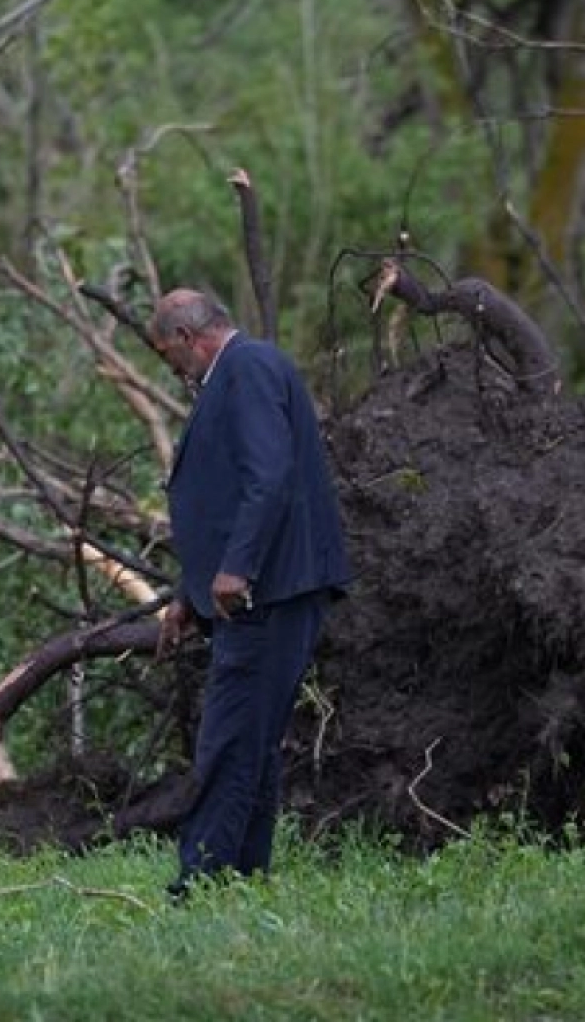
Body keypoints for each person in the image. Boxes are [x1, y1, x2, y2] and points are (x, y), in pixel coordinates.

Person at [149, 287, 351, 899]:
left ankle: (201, 881)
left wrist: (237, 570)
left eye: (168, 357)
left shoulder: (248, 367)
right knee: (251, 741)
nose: (173, 370)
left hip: (269, 591)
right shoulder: (233, 376)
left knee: (231, 737)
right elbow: (228, 492)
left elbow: (269, 474)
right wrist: (189, 592)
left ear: (188, 338)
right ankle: (242, 877)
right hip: (257, 592)